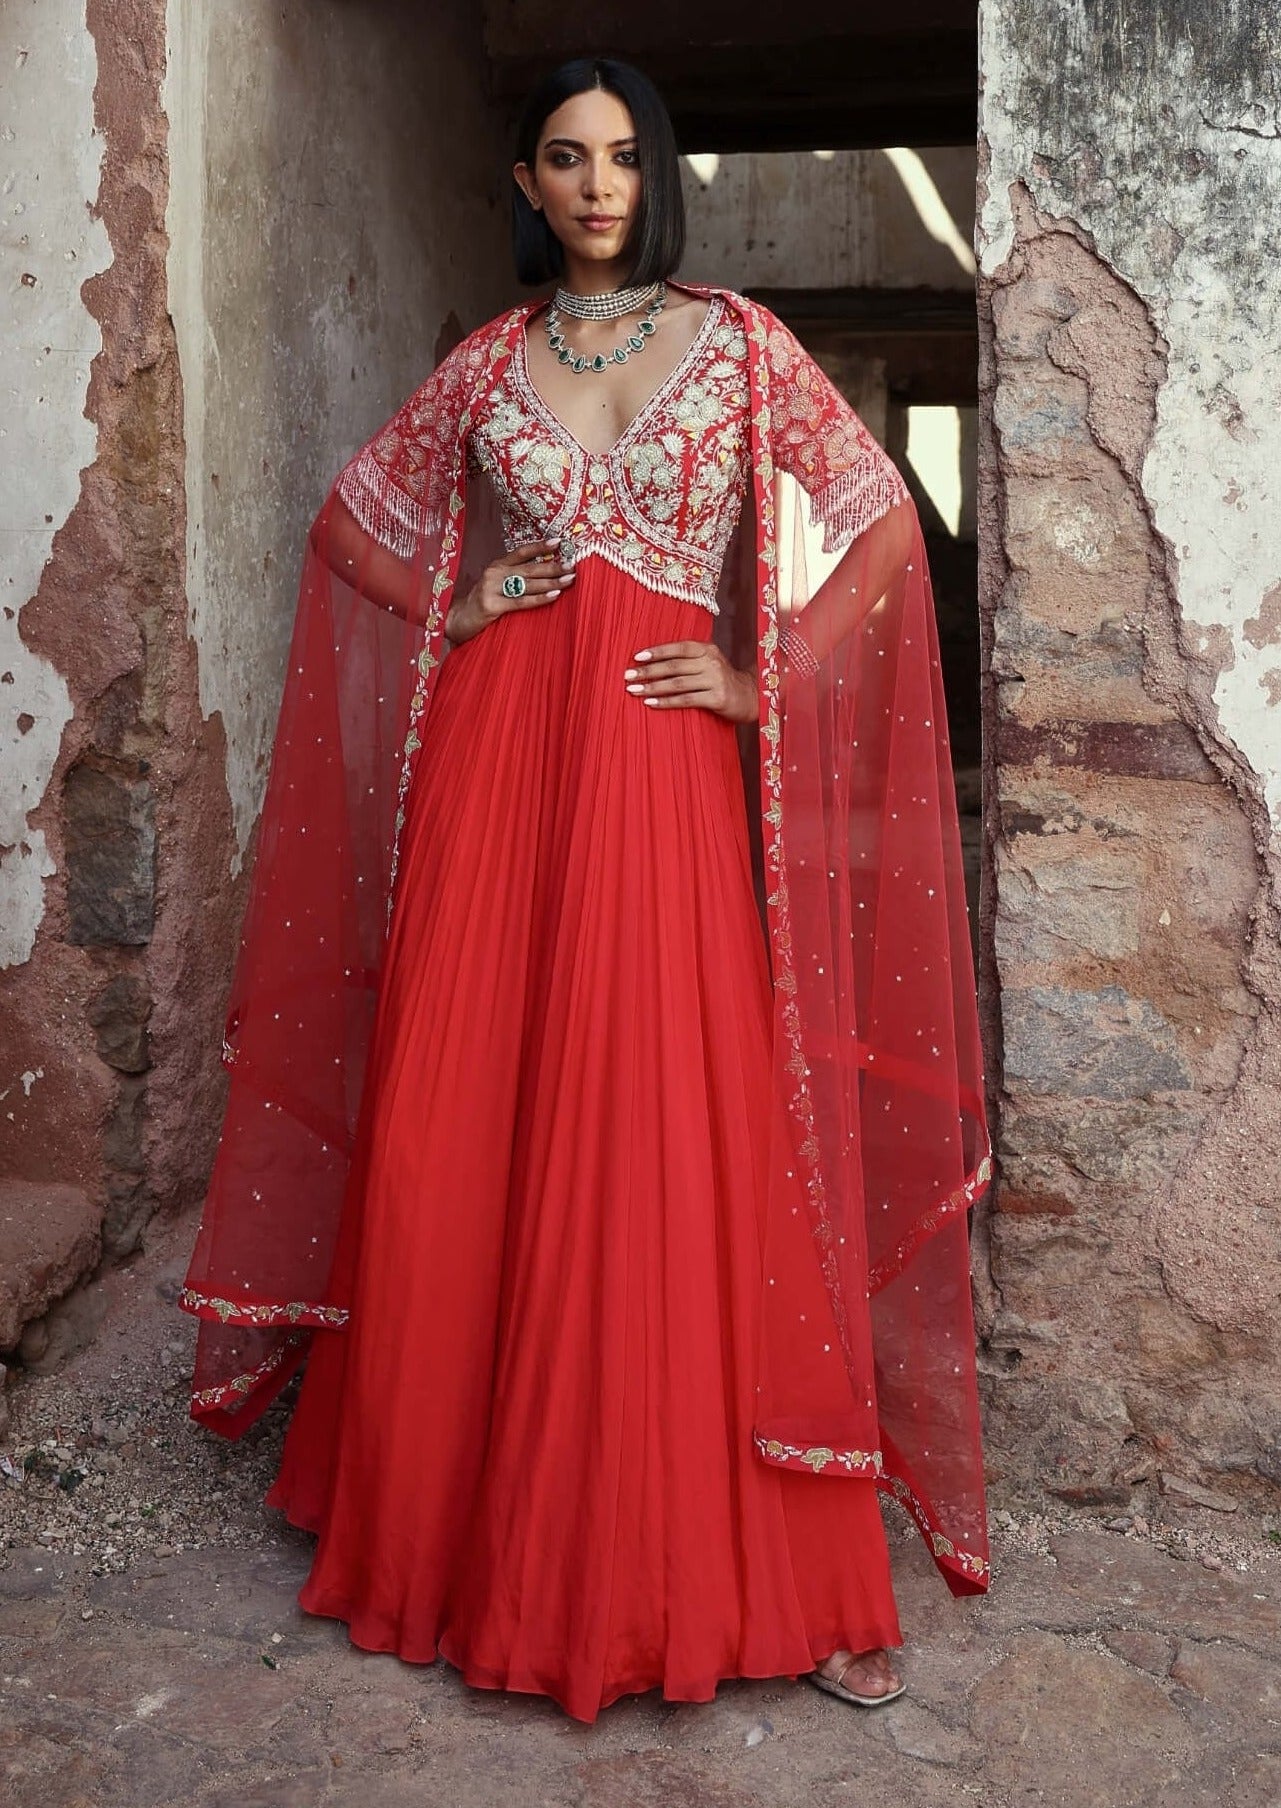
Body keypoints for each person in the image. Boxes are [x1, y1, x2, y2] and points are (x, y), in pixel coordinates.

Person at [179, 55, 991, 1725]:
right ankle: (453, 1539)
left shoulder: (741, 343)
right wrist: (466, 604)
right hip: (497, 770)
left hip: (660, 772)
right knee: (460, 1113)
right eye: (566, 157)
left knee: (670, 1121)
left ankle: (746, 1562)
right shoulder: (487, 362)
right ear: (529, 184)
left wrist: (768, 677)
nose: (598, 184)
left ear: (653, 172)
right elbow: (348, 527)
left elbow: (880, 524)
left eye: (623, 155)